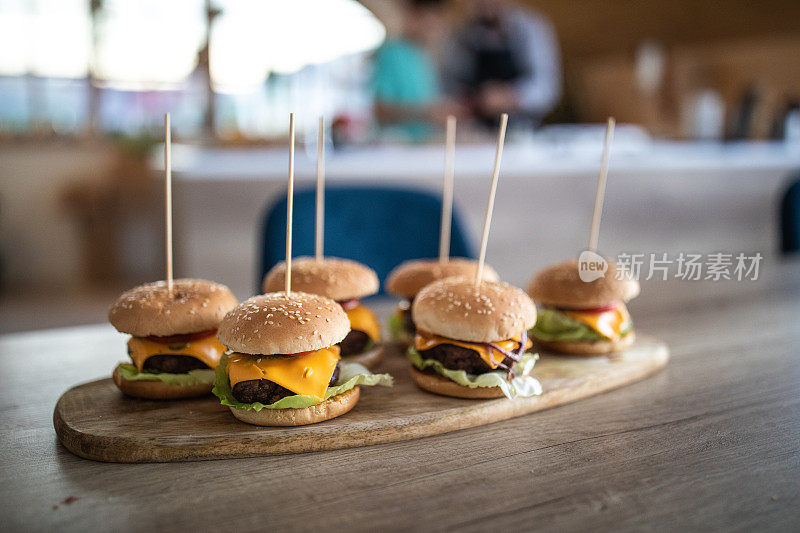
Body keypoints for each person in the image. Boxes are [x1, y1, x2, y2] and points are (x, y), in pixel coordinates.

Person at [444, 0, 561, 128]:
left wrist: (510, 97)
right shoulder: (464, 34)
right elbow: (452, 82)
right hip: (476, 130)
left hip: (523, 128)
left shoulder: (529, 28)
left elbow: (546, 88)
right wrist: (466, 101)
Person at [371, 0, 461, 141]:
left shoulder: (423, 55)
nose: (435, 28)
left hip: (424, 145)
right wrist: (426, 113)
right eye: (429, 21)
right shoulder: (392, 52)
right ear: (412, 18)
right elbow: (379, 110)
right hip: (397, 148)